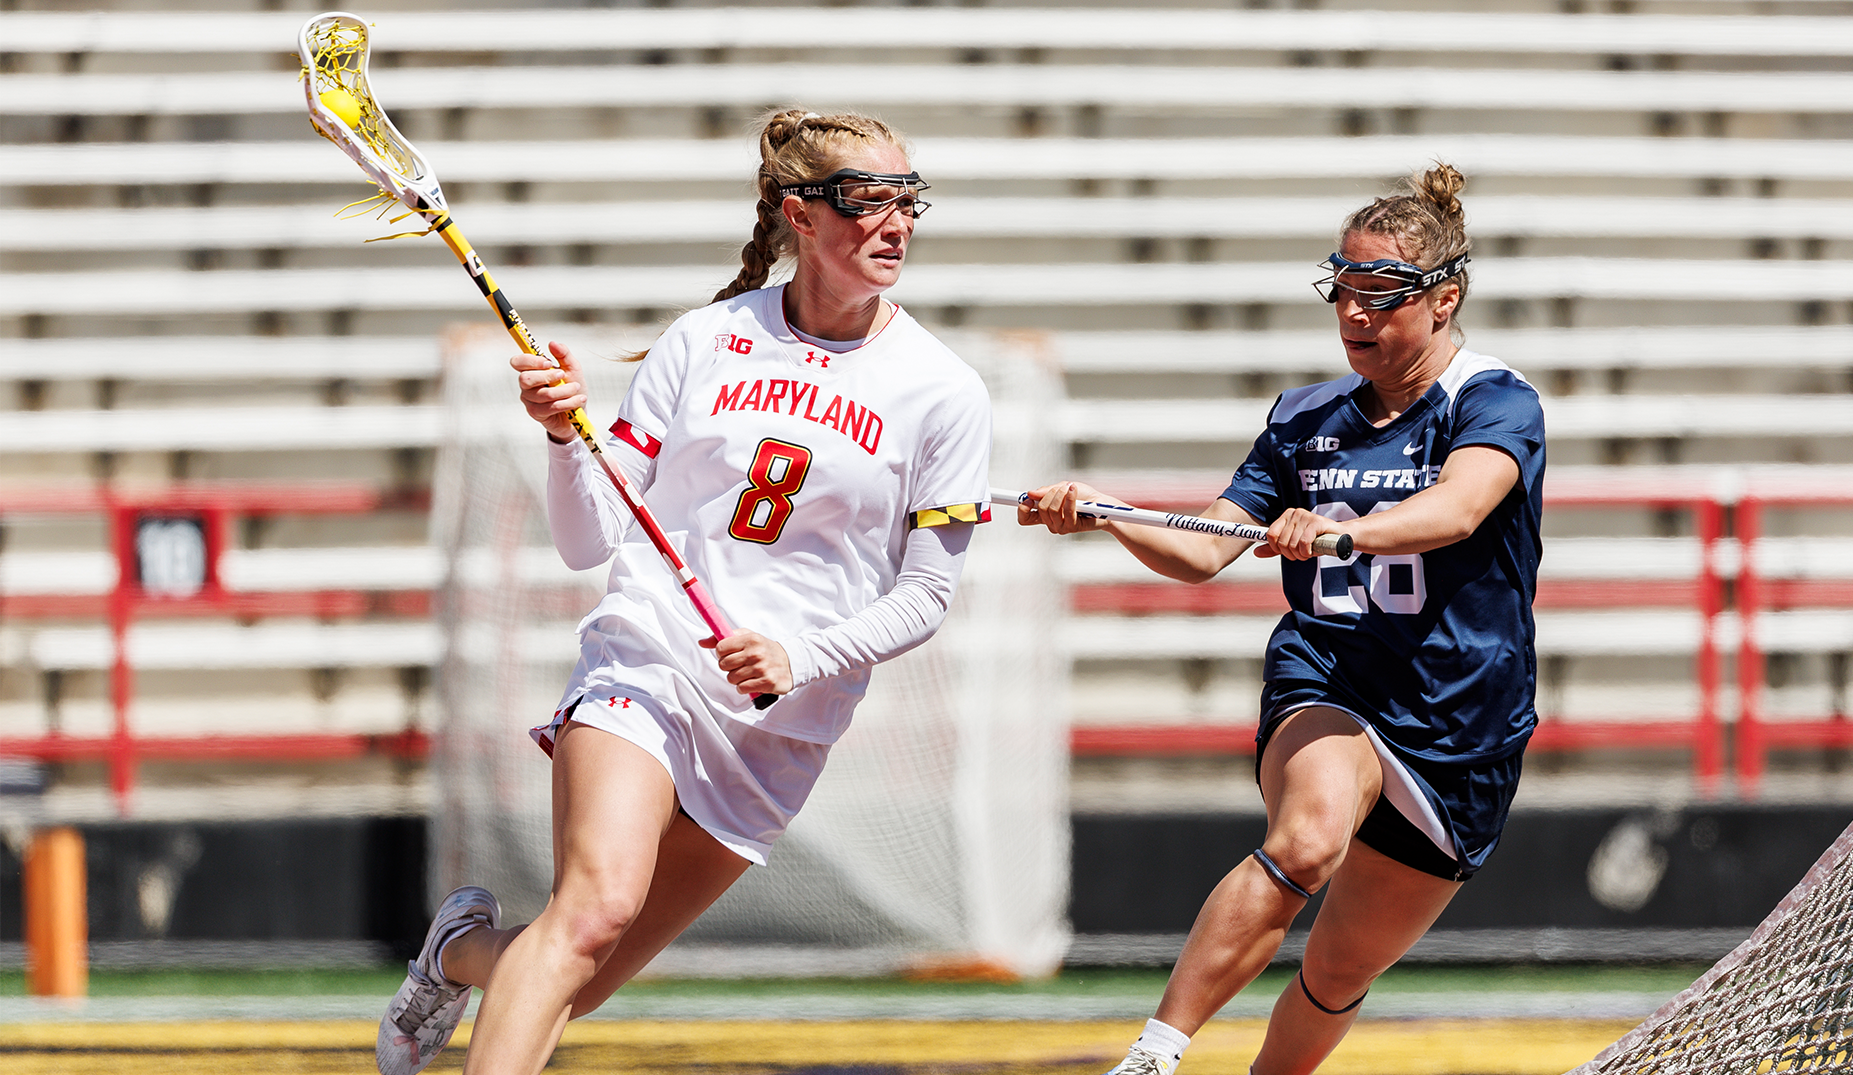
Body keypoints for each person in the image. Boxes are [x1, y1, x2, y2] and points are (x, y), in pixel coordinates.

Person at [375, 109, 992, 1075]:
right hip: (649, 662)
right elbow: (591, 540)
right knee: (593, 911)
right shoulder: (705, 342)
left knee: (575, 979)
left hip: (778, 726)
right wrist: (558, 436)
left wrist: (803, 655)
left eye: (907, 200)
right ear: (800, 213)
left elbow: (927, 594)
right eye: (868, 200)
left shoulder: (943, 392)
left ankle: (456, 952)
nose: (895, 222)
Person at [1021, 163, 1543, 1075]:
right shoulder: (1304, 419)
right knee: (1306, 839)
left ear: (1444, 297)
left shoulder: (1495, 400)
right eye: (1340, 291)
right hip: (1332, 679)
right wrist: (1107, 510)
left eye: (1379, 295)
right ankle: (1151, 1057)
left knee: (1339, 971)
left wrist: (1347, 537)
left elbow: (1459, 510)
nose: (1353, 316)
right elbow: (1203, 549)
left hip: (1463, 720)